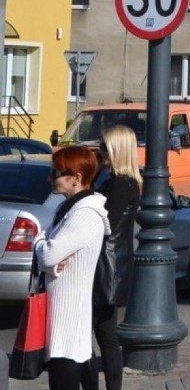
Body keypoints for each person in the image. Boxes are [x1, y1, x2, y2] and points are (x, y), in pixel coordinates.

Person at [34, 145, 110, 390]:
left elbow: (47, 255)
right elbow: (45, 244)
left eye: (55, 173)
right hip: (60, 315)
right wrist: (44, 247)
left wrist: (43, 248)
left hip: (69, 318)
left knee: (65, 376)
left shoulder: (85, 214)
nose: (49, 179)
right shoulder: (66, 209)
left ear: (76, 178)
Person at [83, 126, 142, 390]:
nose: (99, 151)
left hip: (106, 268)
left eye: (103, 148)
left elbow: (106, 225)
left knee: (101, 336)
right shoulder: (122, 181)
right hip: (110, 266)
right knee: (104, 334)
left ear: (116, 150)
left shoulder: (119, 184)